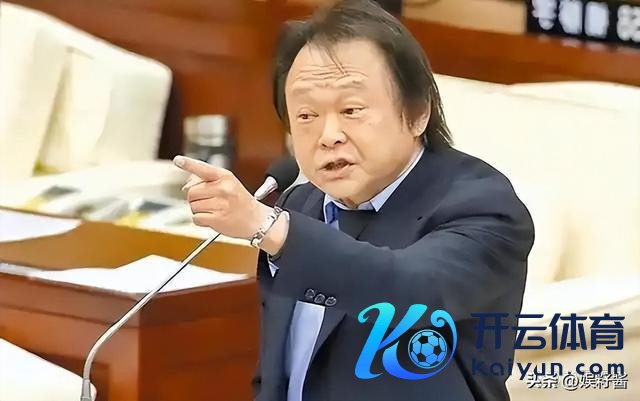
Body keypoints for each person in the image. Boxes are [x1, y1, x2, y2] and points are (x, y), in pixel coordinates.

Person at [173, 1, 534, 400]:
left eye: (351, 110)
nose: (329, 136)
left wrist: (269, 227)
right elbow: (279, 374)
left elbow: (412, 293)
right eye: (306, 116)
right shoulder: (301, 206)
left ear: (417, 113)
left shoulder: (484, 205)